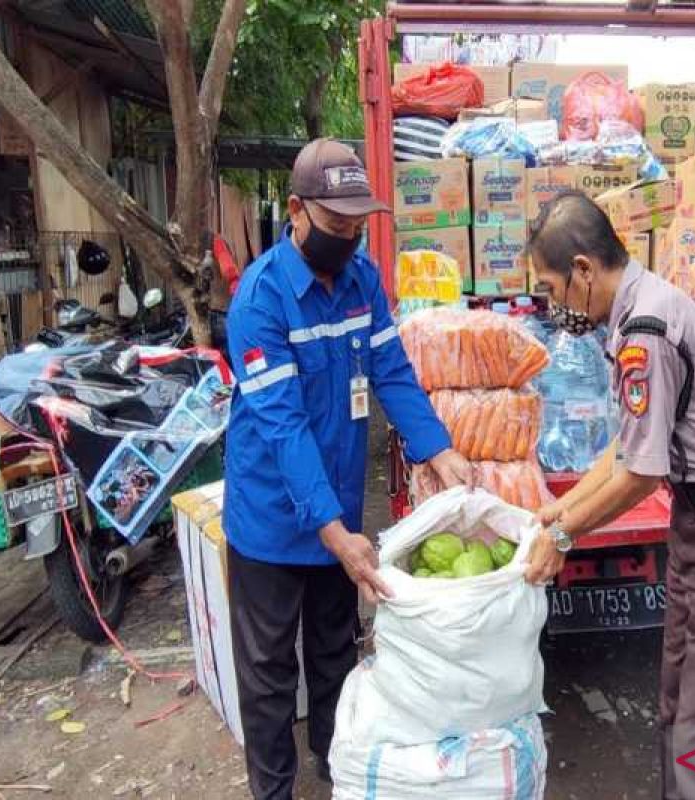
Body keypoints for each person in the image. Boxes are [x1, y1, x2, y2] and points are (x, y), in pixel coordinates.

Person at [523, 192, 695, 800]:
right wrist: (560, 508)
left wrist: (565, 537)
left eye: (552, 287)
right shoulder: (637, 312)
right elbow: (626, 443)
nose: (553, 304)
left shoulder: (647, 330)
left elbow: (641, 472)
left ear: (585, 270)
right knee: (679, 699)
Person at [223, 138, 472, 799]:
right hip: (274, 522)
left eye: (360, 223)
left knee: (334, 653)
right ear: (297, 211)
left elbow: (391, 371)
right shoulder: (260, 300)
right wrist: (333, 532)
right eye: (338, 225)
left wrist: (438, 448)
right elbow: (282, 426)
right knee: (271, 674)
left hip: (337, 509)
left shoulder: (363, 281)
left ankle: (338, 771)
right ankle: (273, 791)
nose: (351, 236)